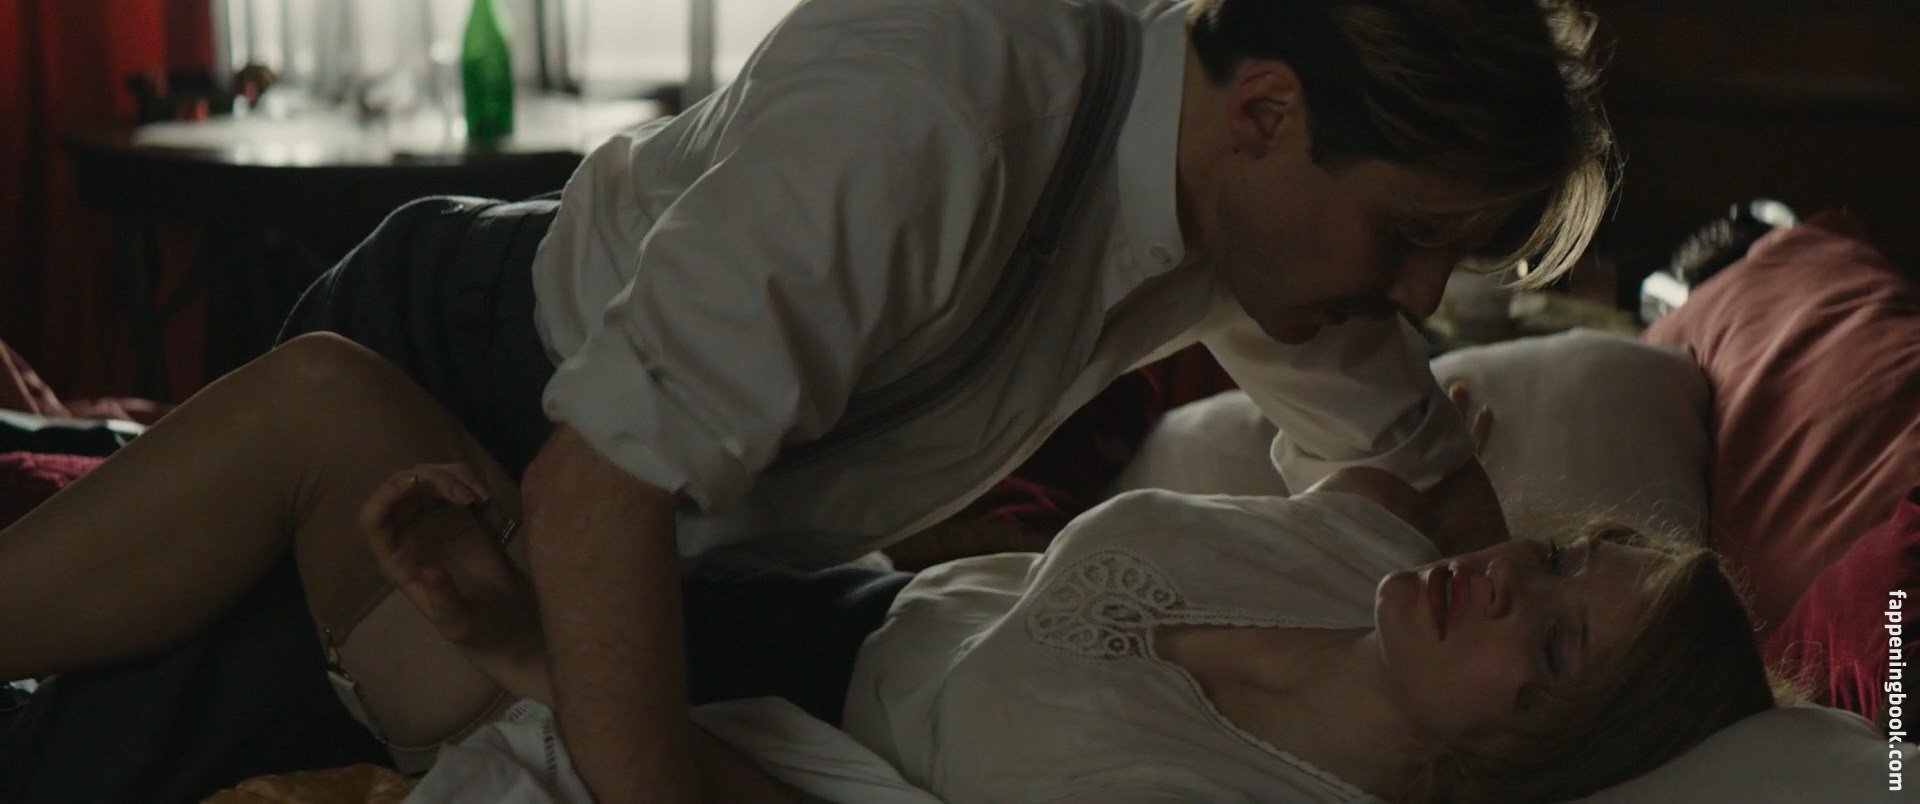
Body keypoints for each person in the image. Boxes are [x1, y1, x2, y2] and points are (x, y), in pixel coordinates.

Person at [267, 0, 1616, 795]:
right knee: (190, 737)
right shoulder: (947, 108)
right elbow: (590, 492)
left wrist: (1621, 699)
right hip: (474, 373)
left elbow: (1437, 493)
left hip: (728, 546)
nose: (1421, 299)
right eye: (1407, 237)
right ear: (1266, 115)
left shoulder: (1257, 215)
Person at [0, 334, 1777, 802]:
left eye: (1555, 646)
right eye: (1557, 558)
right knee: (256, 490)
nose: (1510, 584)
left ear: (1530, 755)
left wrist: (542, 659)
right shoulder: (1378, 560)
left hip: (693, 730)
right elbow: (1375, 378)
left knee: (319, 417)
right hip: (798, 592)